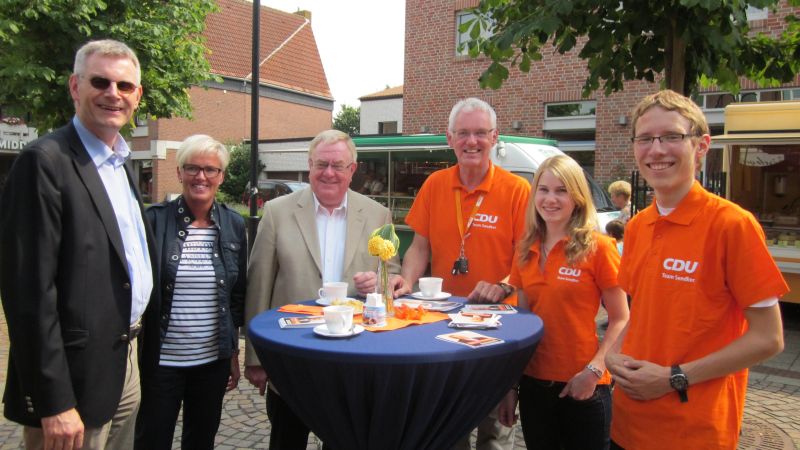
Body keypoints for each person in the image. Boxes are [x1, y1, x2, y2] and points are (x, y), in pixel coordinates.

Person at [605, 90, 788, 450]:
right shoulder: (639, 226)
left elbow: (770, 338)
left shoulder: (732, 225)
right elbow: (638, 313)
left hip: (695, 432)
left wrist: (674, 378)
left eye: (671, 136)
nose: (656, 150)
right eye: (645, 139)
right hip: (628, 425)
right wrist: (613, 352)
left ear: (701, 146)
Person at [0, 39, 156, 450]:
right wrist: (54, 402)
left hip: (123, 362)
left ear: (137, 95)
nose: (113, 93)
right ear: (74, 86)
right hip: (73, 376)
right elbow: (28, 294)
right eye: (100, 81)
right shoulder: (44, 162)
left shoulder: (119, 164)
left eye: (124, 86)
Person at [244, 129, 400, 450]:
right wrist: (255, 358)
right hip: (291, 358)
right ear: (310, 165)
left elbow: (391, 278)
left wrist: (378, 284)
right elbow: (259, 286)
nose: (328, 173)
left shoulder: (377, 215)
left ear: (352, 170)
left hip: (352, 360)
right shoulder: (277, 213)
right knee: (287, 440)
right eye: (321, 164)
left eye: (338, 166)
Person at [394, 98, 531, 450]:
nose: (472, 142)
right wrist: (407, 281)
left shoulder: (517, 191)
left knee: (494, 431)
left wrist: (504, 285)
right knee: (446, 425)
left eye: (481, 133)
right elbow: (419, 247)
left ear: (495, 137)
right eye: (464, 133)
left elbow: (527, 257)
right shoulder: (435, 185)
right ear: (449, 138)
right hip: (442, 323)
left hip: (498, 324)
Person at [497, 155, 629, 449]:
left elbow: (622, 318)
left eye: (561, 191)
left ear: (578, 198)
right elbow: (522, 323)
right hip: (533, 385)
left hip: (583, 385)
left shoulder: (599, 248)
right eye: (543, 190)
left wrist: (593, 372)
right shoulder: (525, 249)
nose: (550, 199)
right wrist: (510, 385)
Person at [135, 135, 246, 449]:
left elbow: (236, 295)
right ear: (179, 172)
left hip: (211, 362)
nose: (201, 176)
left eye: (211, 170)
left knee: (201, 440)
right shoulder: (154, 221)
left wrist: (233, 354)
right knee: (152, 438)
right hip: (161, 361)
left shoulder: (234, 225)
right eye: (193, 168)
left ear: (221, 176)